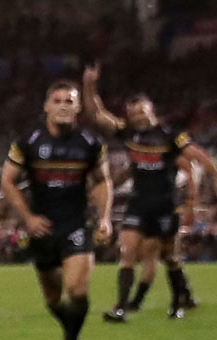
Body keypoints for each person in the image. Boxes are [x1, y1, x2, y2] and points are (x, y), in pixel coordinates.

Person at [82, 64, 217, 322]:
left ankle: (178, 302)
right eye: (133, 114)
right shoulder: (130, 133)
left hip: (165, 206)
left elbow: (197, 157)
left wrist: (208, 181)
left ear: (151, 109)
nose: (138, 118)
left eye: (142, 112)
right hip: (138, 204)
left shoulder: (170, 136)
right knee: (128, 252)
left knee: (171, 258)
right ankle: (121, 307)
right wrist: (89, 85)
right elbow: (97, 114)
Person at [1, 80, 113, 340]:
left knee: (77, 290)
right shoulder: (29, 142)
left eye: (69, 101)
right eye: (58, 101)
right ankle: (70, 330)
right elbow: (8, 181)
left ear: (77, 108)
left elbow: (102, 181)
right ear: (46, 107)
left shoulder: (90, 143)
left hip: (76, 224)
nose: (63, 106)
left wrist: (104, 217)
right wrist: (28, 218)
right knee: (53, 300)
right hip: (43, 229)